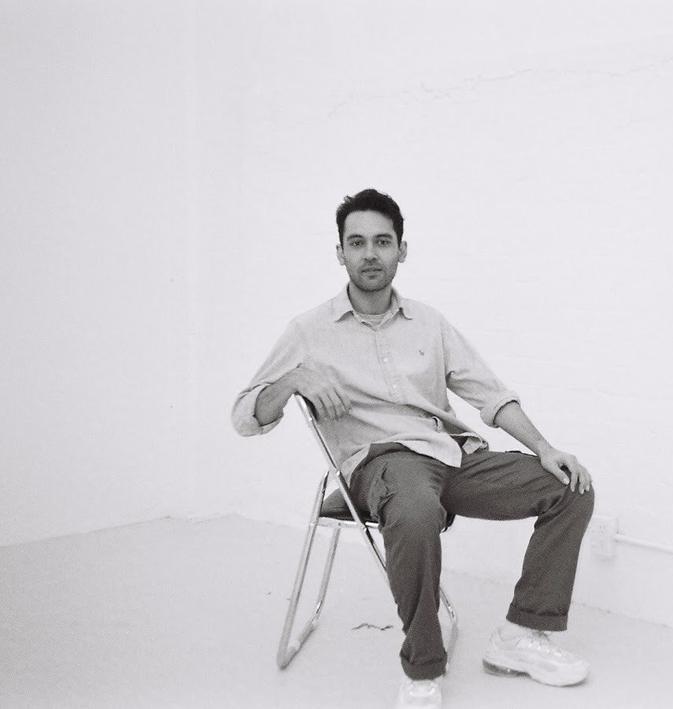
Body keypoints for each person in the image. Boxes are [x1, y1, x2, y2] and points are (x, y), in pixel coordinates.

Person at [231, 188, 595, 709]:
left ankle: (520, 635)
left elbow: (487, 392)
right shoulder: (308, 332)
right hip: (380, 464)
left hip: (451, 457)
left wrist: (544, 447)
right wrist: (293, 380)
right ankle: (423, 665)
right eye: (356, 243)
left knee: (570, 486)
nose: (370, 254)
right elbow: (245, 417)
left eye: (383, 242)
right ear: (340, 253)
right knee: (417, 506)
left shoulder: (429, 321)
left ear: (403, 250)